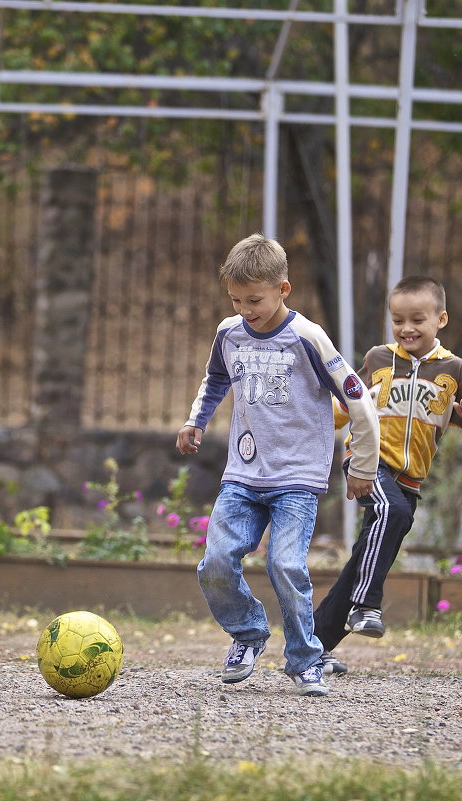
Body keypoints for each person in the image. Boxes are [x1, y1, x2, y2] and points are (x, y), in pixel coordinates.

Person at [176, 233, 380, 697]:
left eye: (255, 300)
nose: (246, 309)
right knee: (214, 563)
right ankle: (248, 634)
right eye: (236, 299)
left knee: (286, 565)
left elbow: (358, 398)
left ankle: (305, 659)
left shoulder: (307, 337)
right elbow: (215, 381)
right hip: (244, 475)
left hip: (297, 479)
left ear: (283, 289)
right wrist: (195, 422)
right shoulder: (229, 333)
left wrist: (362, 465)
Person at [314, 276, 462, 674]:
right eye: (398, 320)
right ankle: (366, 605)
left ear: (441, 319)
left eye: (417, 319)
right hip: (366, 461)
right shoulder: (379, 360)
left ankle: (312, 645)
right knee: (393, 515)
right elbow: (345, 404)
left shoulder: (453, 371)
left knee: (367, 554)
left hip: (409, 479)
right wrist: (312, 418)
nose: (406, 329)